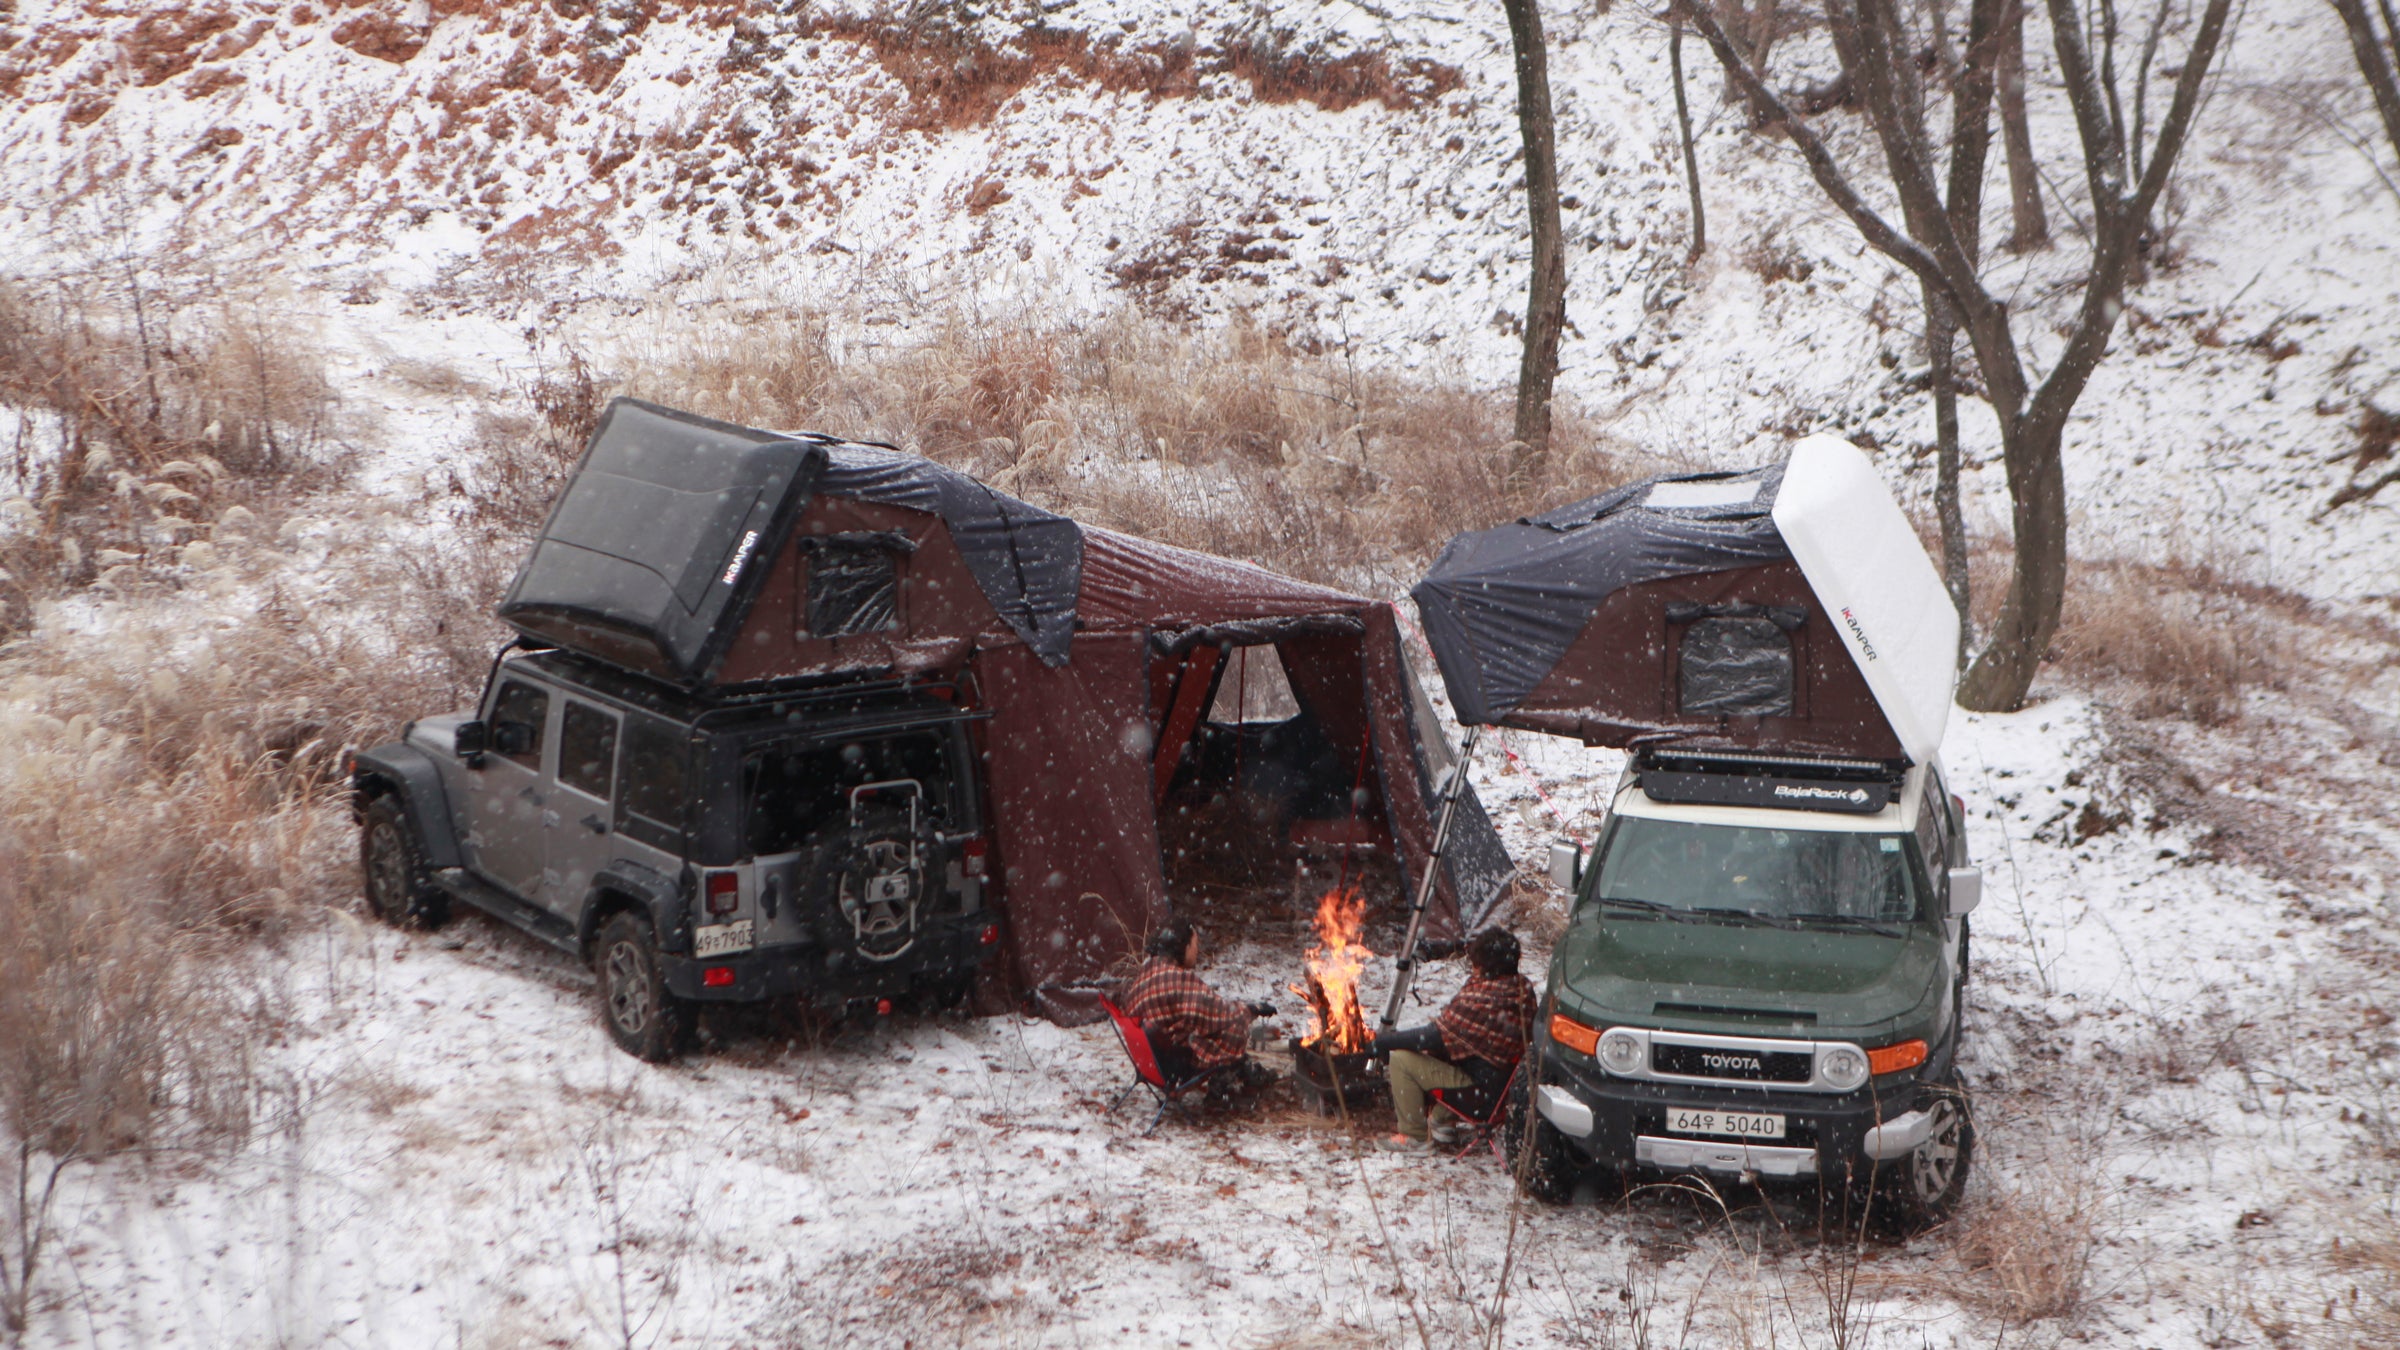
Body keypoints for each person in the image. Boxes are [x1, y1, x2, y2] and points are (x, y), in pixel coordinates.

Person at [1368, 928, 1537, 1151]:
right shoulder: (1521, 988)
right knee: (1449, 1048)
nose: (1473, 969)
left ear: (1484, 966)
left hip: (1480, 1096)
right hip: (1503, 1093)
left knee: (1402, 1059)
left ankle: (1414, 1137)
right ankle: (1442, 1122)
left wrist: (1380, 1042)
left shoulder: (1484, 998)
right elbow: (1456, 1036)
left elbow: (1432, 1037)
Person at [1122, 918, 1278, 1096]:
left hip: (1153, 1060)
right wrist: (1252, 1009)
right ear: (1183, 946)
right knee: (1233, 1028)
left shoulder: (1148, 972)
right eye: (1194, 944)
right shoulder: (1176, 980)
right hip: (1174, 1065)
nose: (1197, 950)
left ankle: (1238, 1070)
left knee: (1208, 1027)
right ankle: (1229, 1078)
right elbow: (1219, 1012)